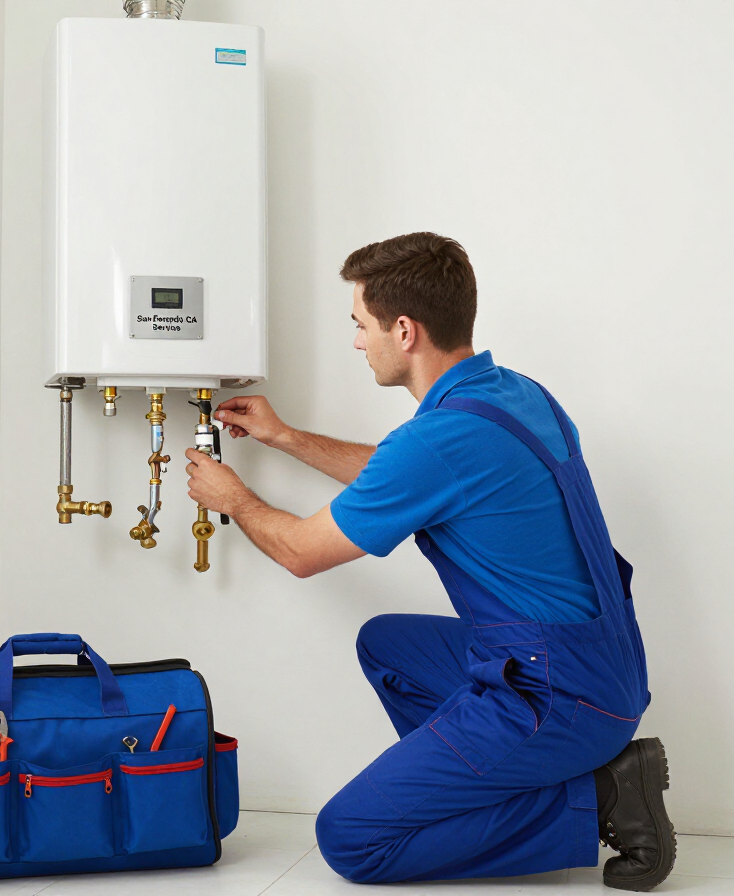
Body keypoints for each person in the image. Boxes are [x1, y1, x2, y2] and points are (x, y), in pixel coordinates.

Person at [184, 233, 675, 890]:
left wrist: (235, 499)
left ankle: (601, 796)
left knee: (352, 839)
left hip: (562, 695)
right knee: (387, 645)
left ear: (405, 331)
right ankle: (478, 784)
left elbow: (302, 552)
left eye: (361, 325)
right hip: (601, 664)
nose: (358, 341)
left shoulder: (440, 439)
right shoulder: (513, 394)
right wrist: (286, 438)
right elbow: (407, 481)